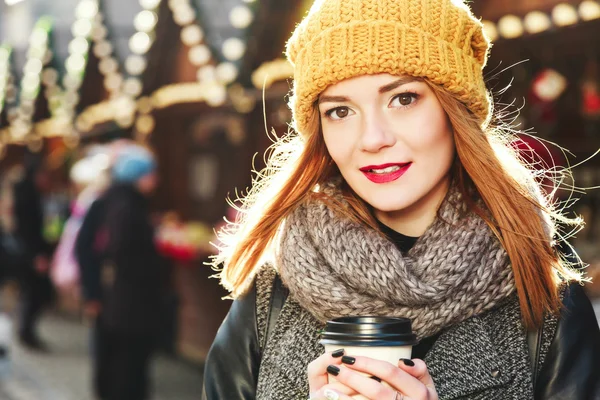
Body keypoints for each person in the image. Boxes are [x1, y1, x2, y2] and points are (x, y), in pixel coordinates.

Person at [202, 0, 600, 399]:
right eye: (340, 111)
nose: (373, 138)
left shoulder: (547, 306)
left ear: (454, 109)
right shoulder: (268, 299)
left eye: (403, 99)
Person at [75, 146, 166, 400]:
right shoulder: (127, 208)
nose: (155, 179)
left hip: (111, 299)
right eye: (151, 173)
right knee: (127, 369)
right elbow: (123, 255)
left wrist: (92, 292)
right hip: (128, 304)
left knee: (110, 362)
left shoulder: (108, 202)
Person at [12, 153, 53, 351]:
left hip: (28, 252)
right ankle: (26, 331)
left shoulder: (28, 193)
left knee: (31, 293)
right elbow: (28, 229)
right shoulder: (28, 196)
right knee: (33, 293)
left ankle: (26, 331)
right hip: (30, 253)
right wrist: (36, 255)